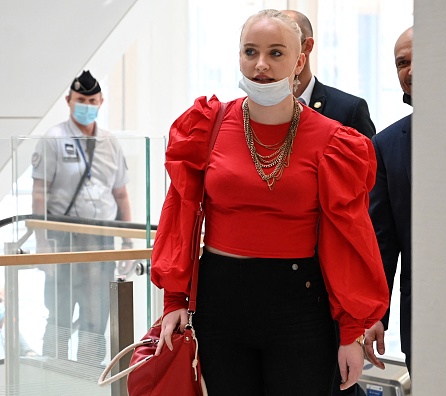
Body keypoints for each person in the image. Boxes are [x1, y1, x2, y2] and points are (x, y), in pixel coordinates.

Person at [151, 9, 389, 395]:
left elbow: (350, 237)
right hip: (220, 299)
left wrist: (351, 331)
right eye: (250, 51)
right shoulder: (206, 125)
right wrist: (173, 298)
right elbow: (178, 215)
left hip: (300, 302)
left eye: (276, 53)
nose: (261, 65)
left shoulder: (334, 142)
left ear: (300, 58)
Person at [282, 9, 376, 395]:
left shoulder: (346, 110)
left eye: (279, 50)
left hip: (327, 275)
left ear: (305, 50)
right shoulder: (245, 115)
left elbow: (362, 208)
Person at [31, 70, 132, 366]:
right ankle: (56, 368)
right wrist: (42, 244)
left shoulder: (110, 142)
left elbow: (121, 195)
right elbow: (40, 194)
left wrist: (127, 241)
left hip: (101, 238)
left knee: (96, 311)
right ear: (68, 100)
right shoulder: (53, 139)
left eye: (91, 100)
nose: (86, 104)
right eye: (80, 99)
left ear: (101, 101)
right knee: (60, 309)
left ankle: (89, 372)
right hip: (63, 238)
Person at [365, 26, 413, 375]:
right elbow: (383, 241)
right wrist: (374, 315)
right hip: (423, 319)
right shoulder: (386, 144)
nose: (410, 71)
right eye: (402, 62)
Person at [281, 10, 376, 140]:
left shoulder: (348, 109)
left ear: (307, 46)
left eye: (280, 46)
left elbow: (368, 158)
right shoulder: (256, 109)